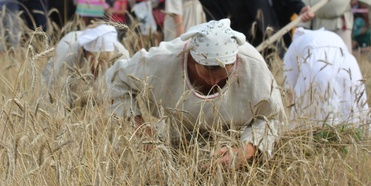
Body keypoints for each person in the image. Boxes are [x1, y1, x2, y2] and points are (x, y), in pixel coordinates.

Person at [106, 19, 285, 168]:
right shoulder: (161, 60)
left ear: (235, 61)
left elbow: (273, 117)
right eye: (207, 72)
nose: (214, 82)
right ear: (192, 59)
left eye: (223, 73)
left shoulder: (253, 65)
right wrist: (144, 134)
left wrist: (245, 150)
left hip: (235, 140)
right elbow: (117, 80)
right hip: (176, 140)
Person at [283, 28, 371, 133]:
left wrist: (293, 112)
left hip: (317, 67)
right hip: (349, 66)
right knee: (352, 108)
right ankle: (356, 139)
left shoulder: (293, 46)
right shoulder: (331, 35)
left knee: (314, 118)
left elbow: (289, 85)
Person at [43, 24, 129, 88]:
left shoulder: (121, 54)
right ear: (85, 51)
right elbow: (52, 84)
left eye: (103, 61)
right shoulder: (69, 54)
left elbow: (127, 84)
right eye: (94, 59)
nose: (98, 65)